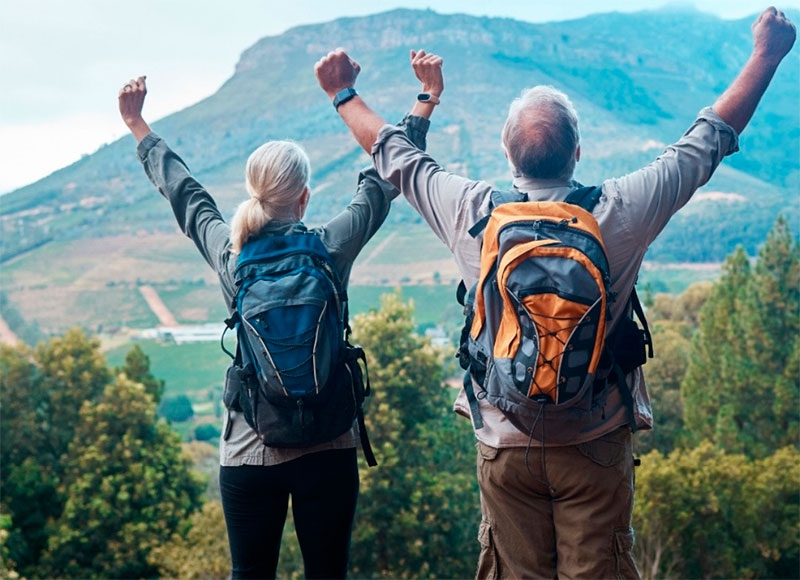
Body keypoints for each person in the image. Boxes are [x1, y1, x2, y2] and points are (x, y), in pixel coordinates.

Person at [314, 8, 796, 579]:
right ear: (577, 152)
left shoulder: (471, 210)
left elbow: (394, 155)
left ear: (508, 155)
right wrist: (766, 56)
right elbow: (705, 143)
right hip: (595, 437)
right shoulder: (621, 210)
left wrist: (343, 92)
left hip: (503, 439)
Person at [118, 62, 439, 579]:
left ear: (252, 193)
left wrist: (138, 125)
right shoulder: (330, 248)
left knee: (251, 574)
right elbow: (386, 180)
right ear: (304, 196)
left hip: (250, 444)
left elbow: (187, 196)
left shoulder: (232, 256)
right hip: (329, 440)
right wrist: (425, 98)